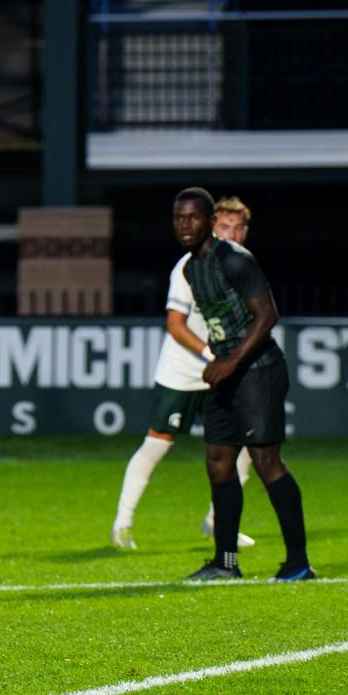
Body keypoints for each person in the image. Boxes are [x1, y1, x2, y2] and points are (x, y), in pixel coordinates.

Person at [172, 188, 313, 583]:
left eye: (193, 218)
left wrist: (231, 360)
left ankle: (298, 562)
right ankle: (226, 563)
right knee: (218, 462)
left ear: (210, 222)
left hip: (259, 371)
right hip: (228, 373)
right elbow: (222, 324)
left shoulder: (234, 260)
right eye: (179, 218)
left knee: (267, 463)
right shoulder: (189, 269)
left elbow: (267, 315)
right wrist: (218, 359)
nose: (185, 225)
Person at [111, 200, 256, 550]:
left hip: (221, 372)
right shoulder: (189, 267)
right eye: (224, 227)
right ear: (211, 227)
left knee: (245, 446)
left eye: (238, 228)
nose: (231, 234)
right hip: (183, 370)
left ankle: (218, 521)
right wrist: (211, 356)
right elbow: (175, 326)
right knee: (157, 445)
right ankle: (123, 523)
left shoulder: (243, 266)